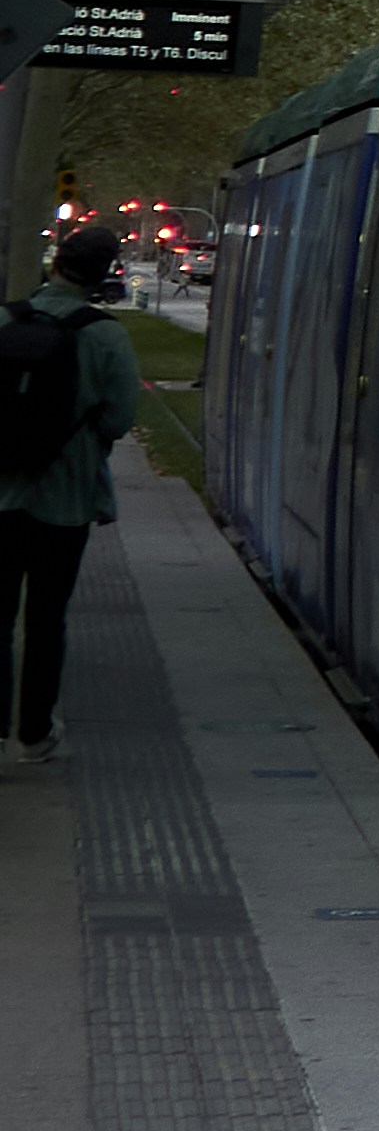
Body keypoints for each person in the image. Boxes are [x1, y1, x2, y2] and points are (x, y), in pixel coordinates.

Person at [0, 215, 137, 765]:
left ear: (55, 264)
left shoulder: (5, 322)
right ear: (102, 278)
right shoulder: (105, 335)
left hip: (2, 495)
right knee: (46, 618)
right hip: (67, 500)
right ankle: (35, 733)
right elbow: (122, 417)